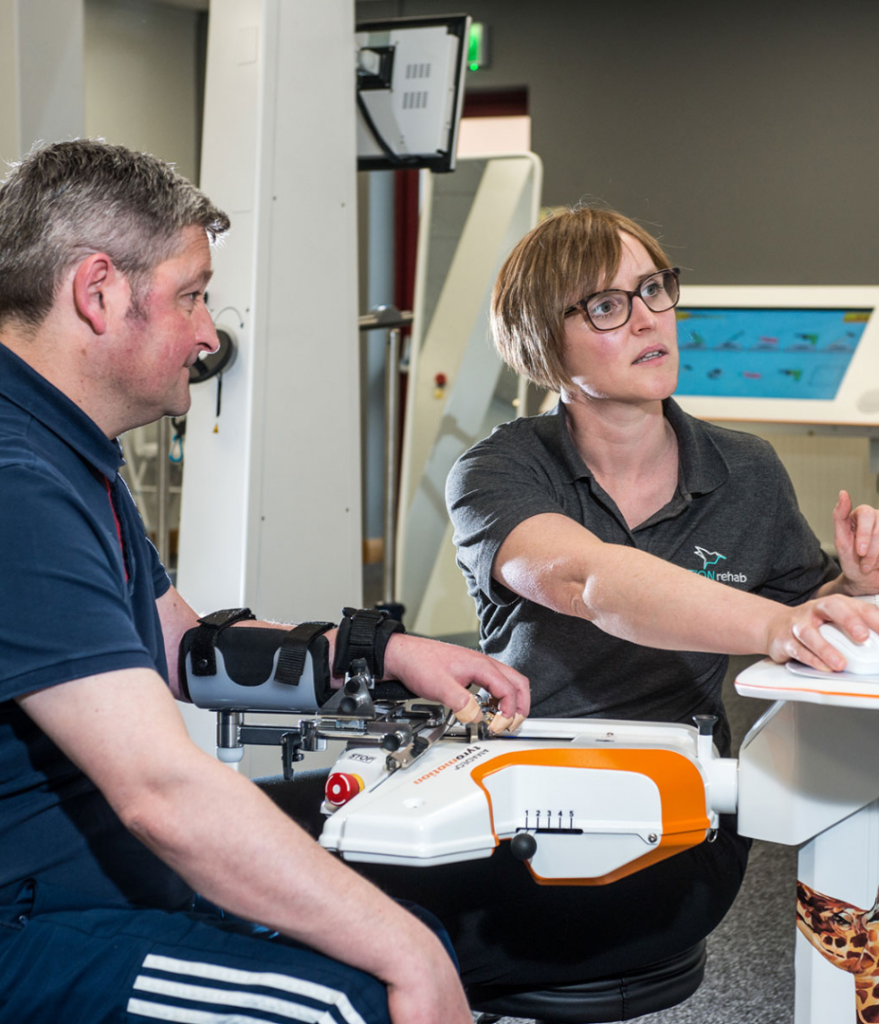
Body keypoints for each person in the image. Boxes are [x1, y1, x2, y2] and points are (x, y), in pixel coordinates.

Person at [0, 139, 529, 1024]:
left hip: (96, 888)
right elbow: (163, 794)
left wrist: (383, 652)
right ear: (98, 293)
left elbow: (178, 645)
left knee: (423, 942)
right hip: (28, 927)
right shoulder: (18, 479)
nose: (209, 335)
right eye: (192, 296)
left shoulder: (68, 447)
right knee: (353, 1001)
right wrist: (399, 954)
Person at [426, 206, 879, 988]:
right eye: (607, 306)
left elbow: (803, 599)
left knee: (401, 944)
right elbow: (591, 580)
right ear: (542, 343)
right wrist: (781, 623)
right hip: (519, 789)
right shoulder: (499, 471)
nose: (650, 318)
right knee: (356, 910)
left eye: (654, 290)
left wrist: (853, 582)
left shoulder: (745, 471)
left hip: (679, 807)